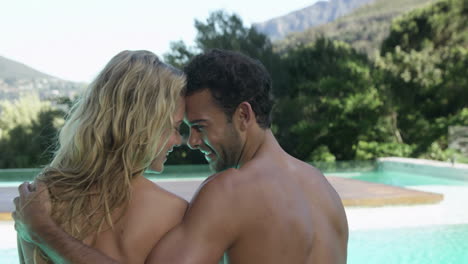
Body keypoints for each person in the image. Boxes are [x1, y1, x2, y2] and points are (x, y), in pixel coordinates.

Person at [14, 49, 349, 264]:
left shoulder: (40, 199)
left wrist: (45, 231)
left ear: (244, 115)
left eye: (198, 126)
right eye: (181, 127)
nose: (190, 141)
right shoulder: (325, 192)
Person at [14, 50, 188, 263]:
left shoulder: (39, 200)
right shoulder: (171, 211)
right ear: (146, 126)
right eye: (175, 127)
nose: (178, 140)